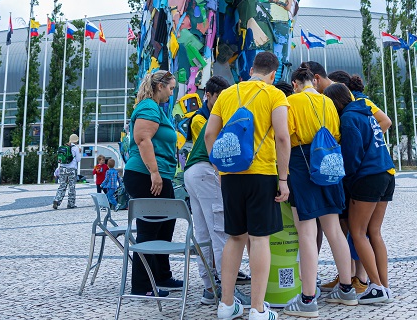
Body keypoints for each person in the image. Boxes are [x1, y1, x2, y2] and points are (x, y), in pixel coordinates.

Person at [205, 51, 291, 320]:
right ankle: (257, 309)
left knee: (235, 237)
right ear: (274, 74)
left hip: (231, 174)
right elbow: (282, 137)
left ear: (251, 68)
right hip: (262, 173)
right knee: (259, 238)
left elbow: (209, 134)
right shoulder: (274, 94)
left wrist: (219, 168)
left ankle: (226, 305)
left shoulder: (228, 93)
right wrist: (284, 178)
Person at [282, 67, 356, 317]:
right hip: (329, 165)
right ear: (313, 81)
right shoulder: (328, 101)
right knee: (334, 228)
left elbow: (284, 136)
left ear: (295, 83)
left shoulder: (291, 101)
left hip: (302, 165)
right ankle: (347, 288)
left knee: (306, 231)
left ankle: (308, 298)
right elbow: (335, 134)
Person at [326, 82, 394, 305]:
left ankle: (374, 286)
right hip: (386, 172)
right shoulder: (365, 111)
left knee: (357, 232)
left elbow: (352, 155)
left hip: (367, 177)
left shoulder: (348, 118)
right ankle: (384, 286)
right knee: (374, 232)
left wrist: (345, 177)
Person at [183, 75, 249, 305]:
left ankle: (210, 288)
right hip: (205, 172)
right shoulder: (229, 114)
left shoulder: (214, 114)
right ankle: (226, 291)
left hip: (192, 172)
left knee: (204, 234)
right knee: (221, 233)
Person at [123, 70, 183, 296]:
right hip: (146, 176)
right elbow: (142, 139)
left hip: (159, 175)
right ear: (159, 86)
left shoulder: (156, 108)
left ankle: (161, 277)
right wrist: (154, 172)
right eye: (170, 88)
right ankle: (142, 286)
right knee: (149, 231)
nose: (171, 92)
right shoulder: (148, 107)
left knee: (164, 227)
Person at [52, 133, 82, 209]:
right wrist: (79, 152)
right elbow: (78, 159)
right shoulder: (75, 148)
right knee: (71, 187)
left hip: (62, 169)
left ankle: (57, 200)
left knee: (62, 185)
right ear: (76, 140)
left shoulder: (64, 146)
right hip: (71, 169)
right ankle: (71, 204)